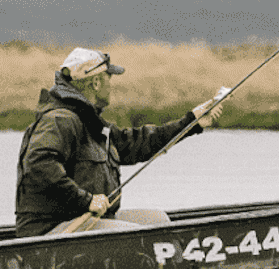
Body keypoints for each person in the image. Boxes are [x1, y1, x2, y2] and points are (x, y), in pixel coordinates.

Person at [15, 47, 224, 238]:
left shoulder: (92, 124)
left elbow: (137, 143)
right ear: (96, 82)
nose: (111, 83)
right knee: (131, 237)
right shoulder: (60, 120)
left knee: (158, 220)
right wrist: (86, 200)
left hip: (87, 222)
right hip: (49, 230)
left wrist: (192, 122)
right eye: (108, 77)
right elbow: (39, 164)